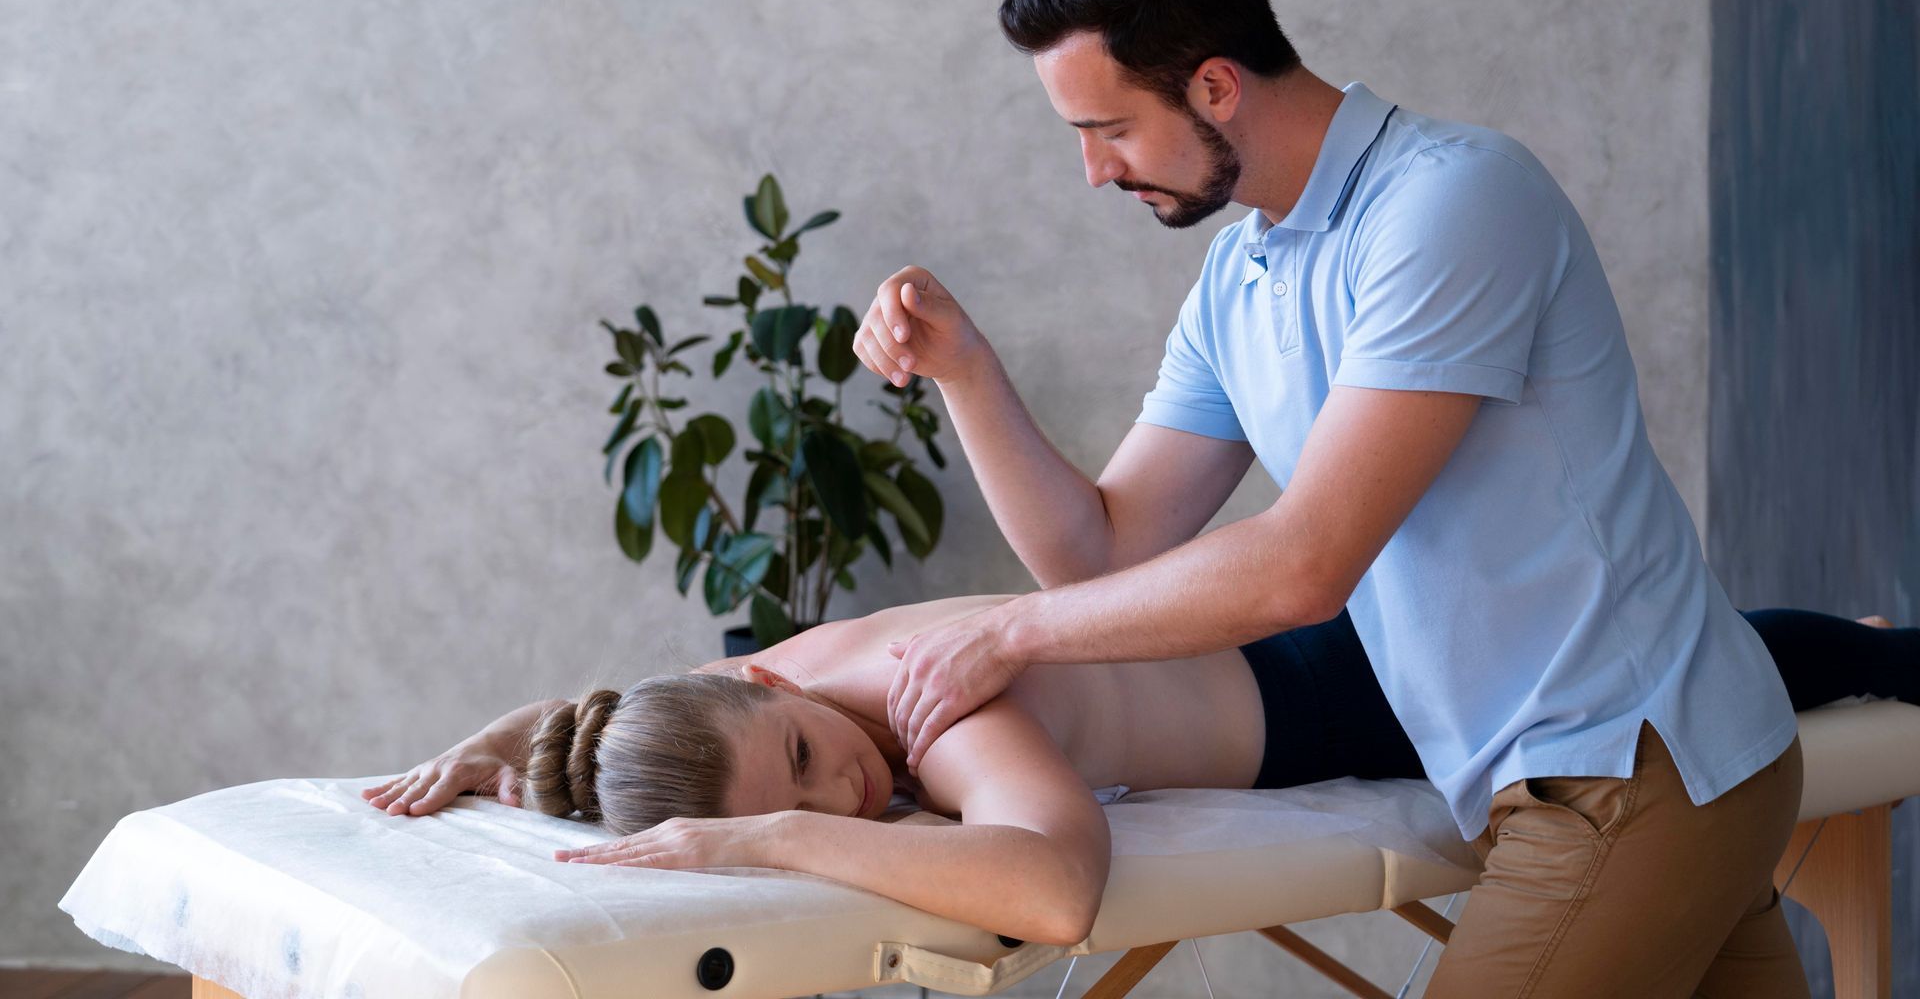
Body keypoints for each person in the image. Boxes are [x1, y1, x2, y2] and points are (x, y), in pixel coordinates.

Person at [850, 0, 1823, 997]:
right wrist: (965, 369)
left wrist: (1010, 635)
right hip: (1568, 784)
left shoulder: (1450, 203)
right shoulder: (1240, 280)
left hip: (1630, 766)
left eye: (1110, 129)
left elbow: (1307, 561)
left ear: (1214, 85)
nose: (1096, 171)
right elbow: (1102, 554)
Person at [360, 594, 1918, 951]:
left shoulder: (924, 716)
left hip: (1351, 694)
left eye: (809, 765)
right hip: (1313, 655)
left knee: (1731, 658)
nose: (854, 790)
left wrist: (779, 840)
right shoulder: (766, 680)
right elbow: (667, 718)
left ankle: (1878, 647)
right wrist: (515, 741)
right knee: (1736, 640)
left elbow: (1050, 886)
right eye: (813, 793)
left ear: (751, 690)